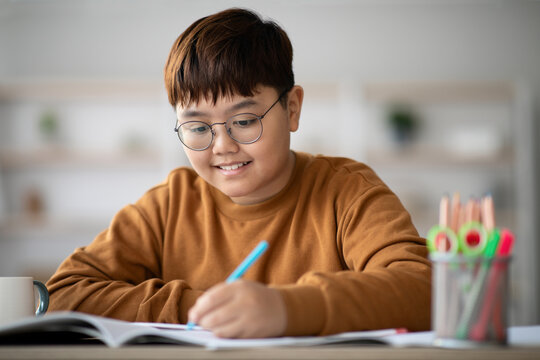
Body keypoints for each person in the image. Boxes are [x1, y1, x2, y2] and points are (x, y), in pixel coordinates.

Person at [46, 7, 431, 339]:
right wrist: (202, 308)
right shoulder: (169, 205)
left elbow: (424, 288)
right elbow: (63, 292)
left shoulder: (346, 191)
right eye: (197, 128)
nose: (222, 146)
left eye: (244, 120)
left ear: (292, 109)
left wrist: (287, 309)